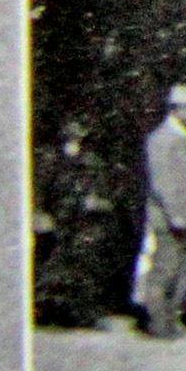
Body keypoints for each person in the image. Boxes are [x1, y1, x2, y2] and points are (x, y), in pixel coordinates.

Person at [135, 84, 186, 339]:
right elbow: (162, 182)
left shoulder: (182, 136)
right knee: (165, 268)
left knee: (181, 270)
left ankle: (171, 319)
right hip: (172, 217)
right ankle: (157, 322)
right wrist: (175, 214)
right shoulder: (161, 139)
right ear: (174, 109)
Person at [34, 118, 119, 328]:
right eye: (70, 138)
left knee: (85, 268)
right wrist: (39, 215)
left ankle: (84, 315)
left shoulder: (92, 163)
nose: (74, 142)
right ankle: (50, 313)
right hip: (58, 224)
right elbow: (39, 192)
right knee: (54, 268)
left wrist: (97, 203)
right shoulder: (51, 161)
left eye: (78, 138)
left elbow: (107, 197)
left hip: (85, 225)